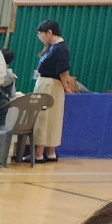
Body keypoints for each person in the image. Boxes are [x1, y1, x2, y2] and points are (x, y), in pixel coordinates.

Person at [33, 20, 72, 162]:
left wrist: (67, 87)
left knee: (44, 117)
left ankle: (39, 154)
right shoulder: (54, 47)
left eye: (40, 34)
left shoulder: (60, 48)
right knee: (51, 118)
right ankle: (50, 152)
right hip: (50, 85)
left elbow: (64, 71)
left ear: (49, 32)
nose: (40, 37)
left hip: (50, 86)